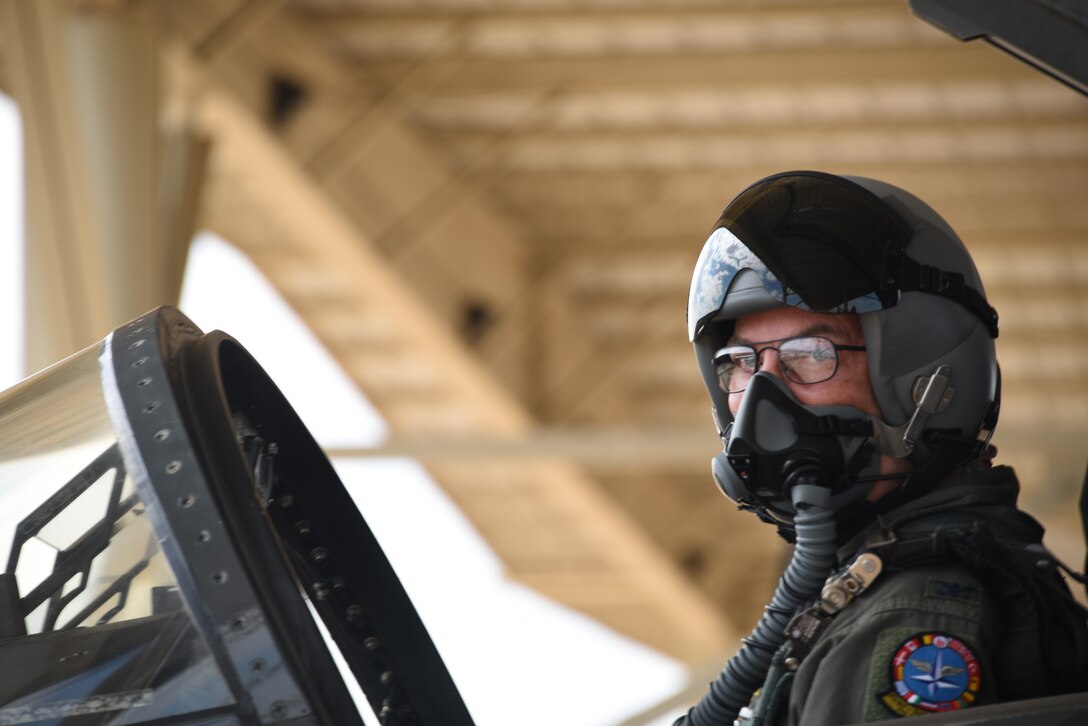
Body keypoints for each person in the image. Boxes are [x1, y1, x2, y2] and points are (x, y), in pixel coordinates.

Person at [675, 171, 1088, 725]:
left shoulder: (912, 614)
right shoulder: (869, 585)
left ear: (927, 379)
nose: (760, 396)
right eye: (742, 363)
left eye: (811, 352)